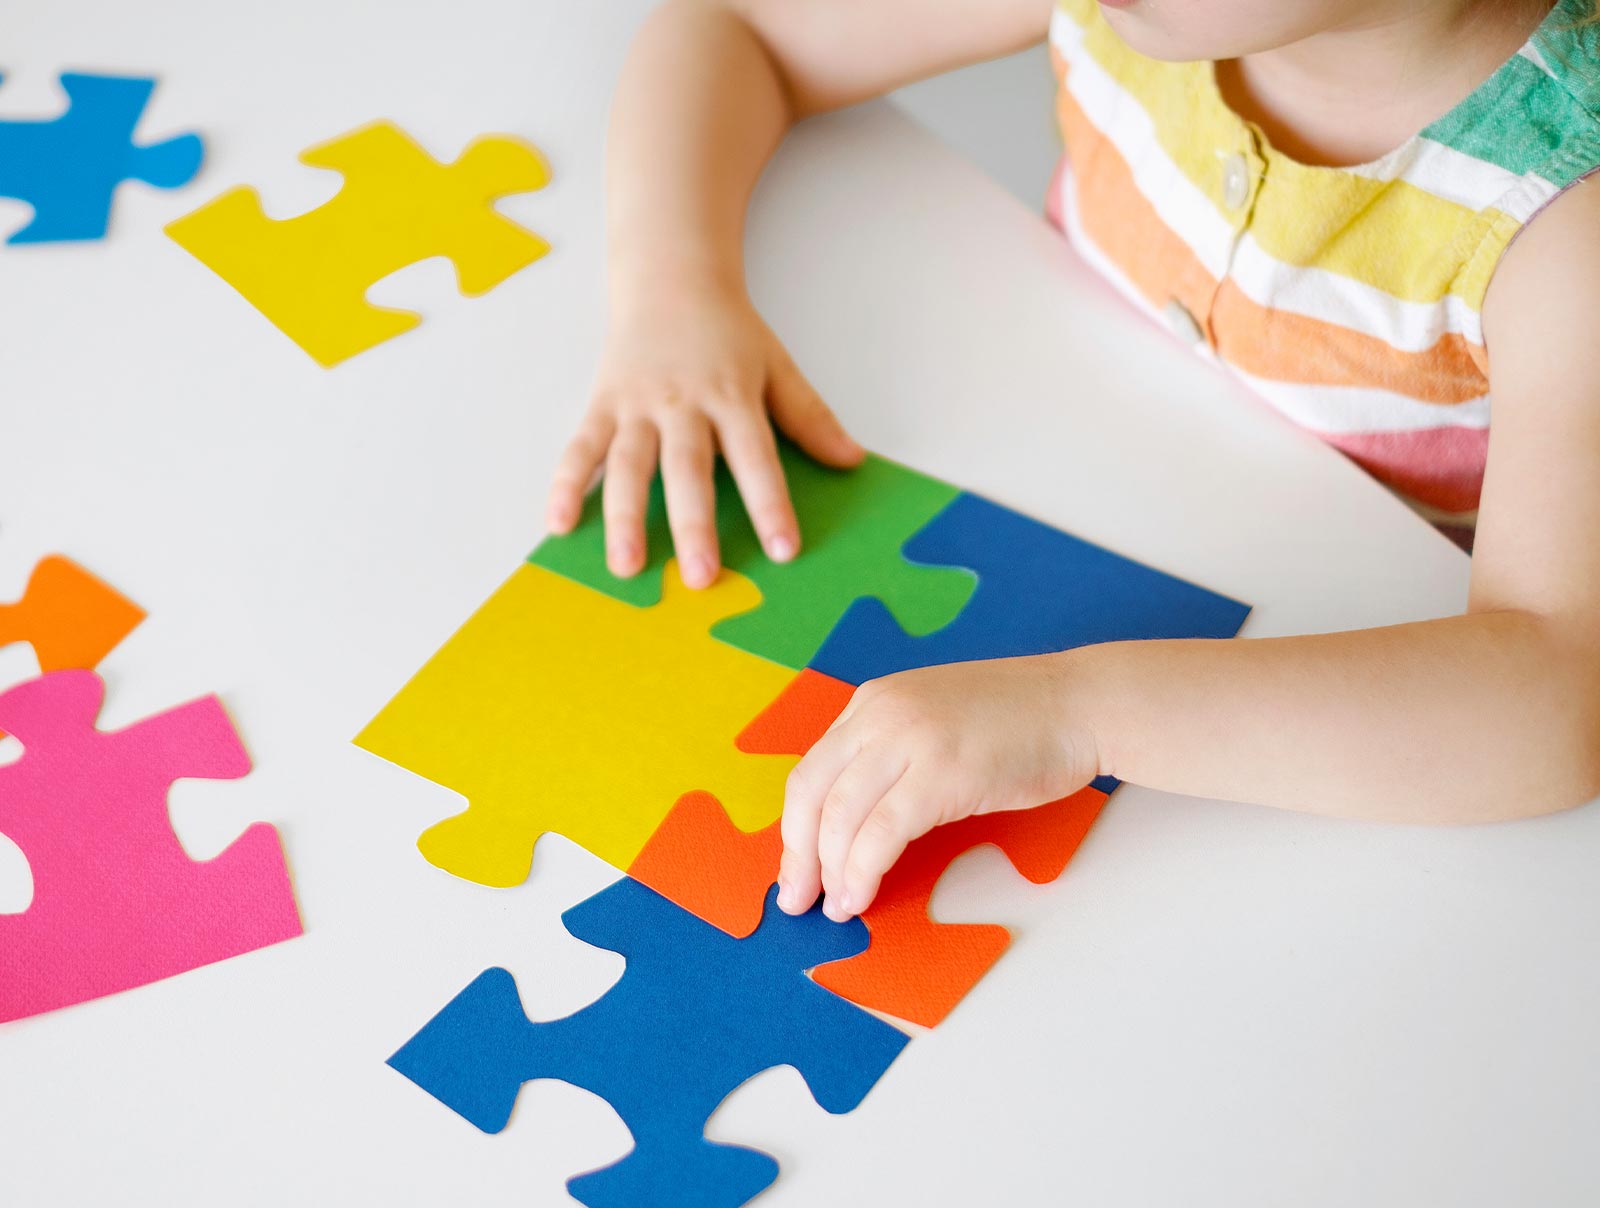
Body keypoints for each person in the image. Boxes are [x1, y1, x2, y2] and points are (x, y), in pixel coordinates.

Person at [544, 0, 1600, 924]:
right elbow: (733, 26)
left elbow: (1556, 696)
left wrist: (1076, 712)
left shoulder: (1564, 213)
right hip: (1065, 515)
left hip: (1326, 710)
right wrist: (672, 296)